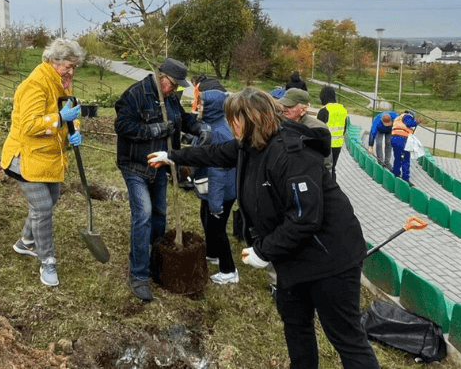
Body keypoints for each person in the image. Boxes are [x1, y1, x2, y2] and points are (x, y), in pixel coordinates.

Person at [148, 88, 380, 369]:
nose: (230, 125)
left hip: (330, 257)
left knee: (345, 336)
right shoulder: (251, 144)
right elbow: (218, 153)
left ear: (251, 119)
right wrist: (173, 156)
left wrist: (263, 250)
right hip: (293, 257)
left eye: (234, 119)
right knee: (295, 323)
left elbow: (304, 217)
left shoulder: (292, 154)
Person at [114, 57, 202, 301]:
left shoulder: (170, 97)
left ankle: (156, 262)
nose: (175, 89)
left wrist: (199, 127)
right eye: (172, 84)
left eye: (176, 86)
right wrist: (154, 130)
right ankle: (139, 275)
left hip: (161, 165)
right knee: (143, 215)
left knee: (159, 214)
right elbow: (122, 126)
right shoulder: (135, 94)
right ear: (161, 77)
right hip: (135, 164)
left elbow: (181, 119)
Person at [0, 38, 85, 287]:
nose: (71, 71)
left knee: (50, 200)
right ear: (53, 61)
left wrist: (74, 128)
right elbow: (29, 126)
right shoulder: (35, 85)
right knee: (43, 208)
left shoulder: (62, 83)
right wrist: (59, 118)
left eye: (74, 66)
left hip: (48, 157)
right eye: (69, 65)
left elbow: (71, 112)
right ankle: (47, 260)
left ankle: (25, 242)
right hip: (24, 157)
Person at [190, 79, 237, 284]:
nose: (198, 107)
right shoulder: (210, 125)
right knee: (206, 219)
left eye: (202, 104)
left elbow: (218, 172)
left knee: (217, 227)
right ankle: (212, 253)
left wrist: (216, 204)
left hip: (221, 190)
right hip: (211, 189)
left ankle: (229, 270)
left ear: (213, 107)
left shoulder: (219, 132)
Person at [316, 87, 348, 169]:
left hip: (326, 145)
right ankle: (333, 181)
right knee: (333, 168)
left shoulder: (324, 110)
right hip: (338, 144)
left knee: (324, 169)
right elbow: (345, 127)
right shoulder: (343, 109)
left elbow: (318, 129)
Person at [389, 110, 419, 187]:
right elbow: (409, 123)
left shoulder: (398, 118)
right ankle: (405, 179)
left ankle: (395, 174)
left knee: (397, 158)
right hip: (401, 140)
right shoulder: (407, 116)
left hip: (394, 138)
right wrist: (416, 122)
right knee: (405, 159)